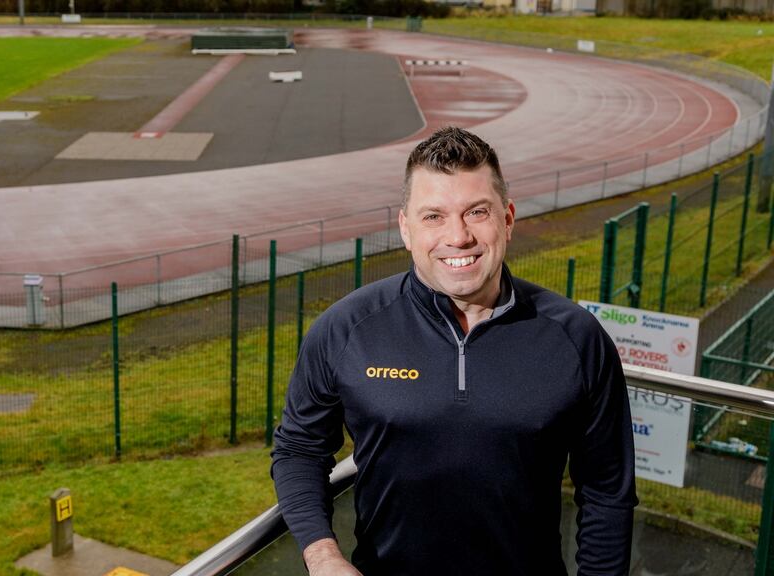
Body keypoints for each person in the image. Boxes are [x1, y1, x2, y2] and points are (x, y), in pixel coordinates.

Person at [271, 126, 637, 575]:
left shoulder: (577, 338)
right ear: (405, 229)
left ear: (507, 219)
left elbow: (607, 491)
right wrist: (323, 556)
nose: (458, 236)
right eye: (433, 216)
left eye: (477, 212)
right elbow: (299, 450)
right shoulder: (346, 328)